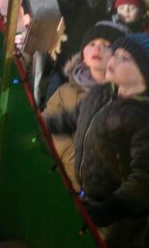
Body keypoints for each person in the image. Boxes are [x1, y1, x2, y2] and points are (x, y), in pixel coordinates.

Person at [45, 34, 149, 248]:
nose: (113, 59)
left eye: (125, 58)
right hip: (87, 198)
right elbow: (72, 119)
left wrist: (107, 210)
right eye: (116, 53)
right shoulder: (101, 93)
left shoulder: (142, 118)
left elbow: (143, 181)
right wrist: (43, 125)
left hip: (118, 220)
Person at [42, 21, 129, 189]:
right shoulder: (66, 91)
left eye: (106, 45)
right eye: (92, 43)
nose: (98, 49)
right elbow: (46, 128)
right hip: (62, 180)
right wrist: (76, 160)